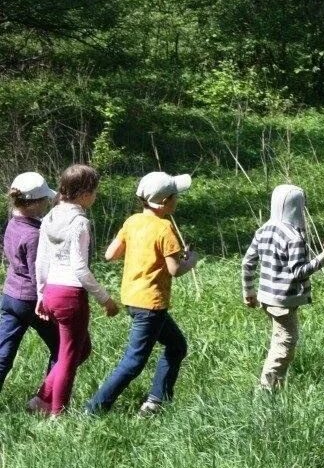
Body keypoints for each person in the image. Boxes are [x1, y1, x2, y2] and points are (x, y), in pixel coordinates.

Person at [85, 172, 197, 415]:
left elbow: (110, 254)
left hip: (132, 299)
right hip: (152, 304)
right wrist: (191, 261)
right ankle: (94, 408)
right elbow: (175, 269)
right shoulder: (165, 228)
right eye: (175, 196)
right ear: (166, 201)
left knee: (177, 346)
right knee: (134, 361)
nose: (177, 199)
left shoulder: (132, 221)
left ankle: (156, 401)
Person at [31, 165, 119, 416]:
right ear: (83, 193)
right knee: (69, 357)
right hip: (70, 295)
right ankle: (58, 413)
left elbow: (41, 260)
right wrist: (105, 299)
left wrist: (40, 294)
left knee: (81, 349)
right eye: (94, 192)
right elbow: (80, 268)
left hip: (51, 292)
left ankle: (40, 400)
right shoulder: (80, 222)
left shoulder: (49, 217)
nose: (95, 197)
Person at [241, 184, 324, 391]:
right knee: (286, 343)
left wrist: (248, 291)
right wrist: (323, 257)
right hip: (283, 299)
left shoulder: (263, 230)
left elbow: (247, 262)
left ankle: (275, 385)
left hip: (266, 296)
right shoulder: (294, 237)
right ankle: (267, 389)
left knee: (279, 338)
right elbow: (299, 272)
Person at [0, 173, 59, 396]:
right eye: (44, 199)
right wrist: (49, 305)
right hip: (30, 301)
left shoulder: (13, 224)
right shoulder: (34, 235)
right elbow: (39, 277)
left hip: (10, 297)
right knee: (64, 348)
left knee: (3, 353)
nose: (46, 202)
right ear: (34, 203)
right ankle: (47, 398)